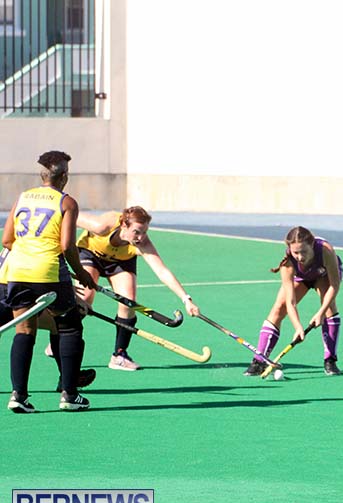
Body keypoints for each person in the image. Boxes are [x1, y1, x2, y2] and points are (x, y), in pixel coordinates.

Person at [2, 150, 97, 412]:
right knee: (69, 326)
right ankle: (70, 395)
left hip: (17, 272)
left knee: (24, 330)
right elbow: (67, 246)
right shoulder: (67, 203)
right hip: (49, 271)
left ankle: (18, 396)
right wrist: (81, 273)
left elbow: (7, 240)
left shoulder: (22, 197)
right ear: (64, 176)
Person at [75, 207, 201, 370]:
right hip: (90, 253)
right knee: (84, 298)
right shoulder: (103, 225)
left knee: (128, 303)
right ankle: (61, 337)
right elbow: (69, 216)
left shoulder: (142, 243)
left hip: (121, 261)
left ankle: (119, 355)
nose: (140, 237)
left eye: (144, 232)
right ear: (124, 225)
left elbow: (162, 271)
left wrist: (186, 299)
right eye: (136, 232)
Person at [244, 226, 343, 377]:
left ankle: (330, 361)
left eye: (304, 252)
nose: (300, 257)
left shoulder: (325, 250)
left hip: (323, 275)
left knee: (329, 307)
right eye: (296, 252)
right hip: (303, 277)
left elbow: (334, 285)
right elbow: (290, 302)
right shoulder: (288, 263)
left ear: (311, 245)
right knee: (279, 308)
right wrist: (298, 327)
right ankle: (259, 361)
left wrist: (320, 313)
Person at [0, 247, 96, 393]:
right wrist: (73, 295)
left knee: (53, 326)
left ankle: (68, 378)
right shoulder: (42, 245)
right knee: (62, 325)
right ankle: (69, 381)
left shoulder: (21, 238)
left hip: (12, 285)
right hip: (16, 288)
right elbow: (44, 272)